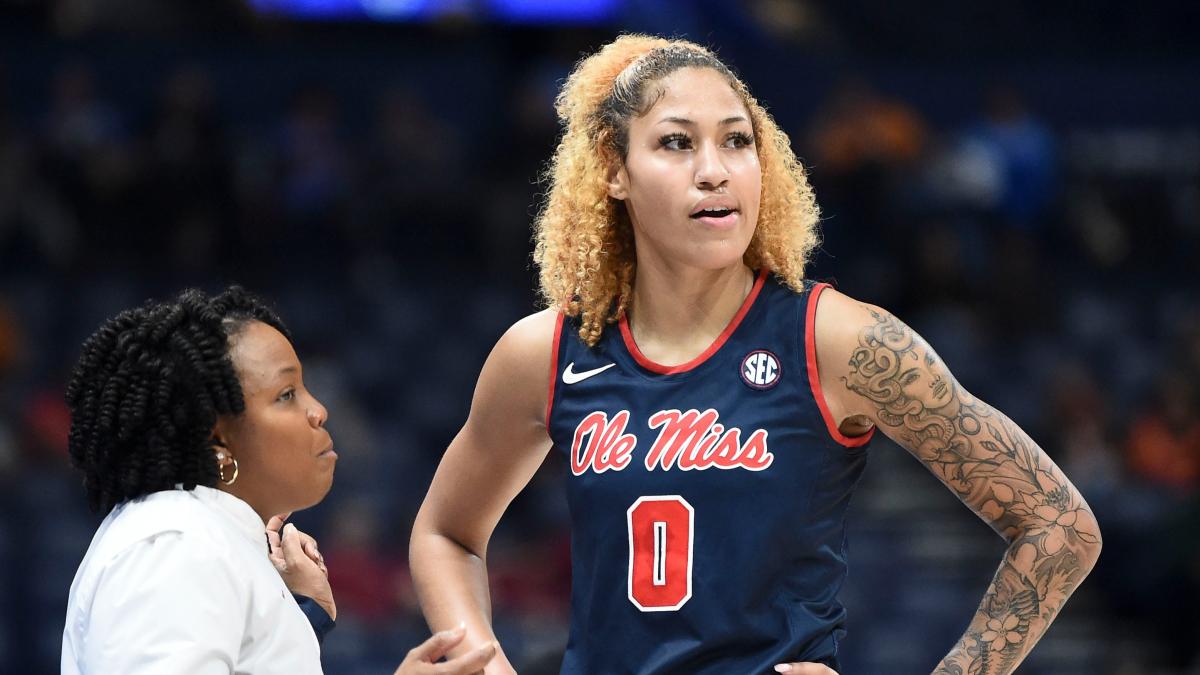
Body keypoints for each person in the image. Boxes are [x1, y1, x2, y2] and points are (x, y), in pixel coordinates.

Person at [409, 34, 1102, 675]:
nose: (714, 170)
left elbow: (1058, 525)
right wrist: (480, 656)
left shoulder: (842, 340)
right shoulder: (547, 351)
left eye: (737, 142)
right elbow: (447, 531)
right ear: (614, 171)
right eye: (677, 143)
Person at [61, 287, 496, 674]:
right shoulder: (176, 546)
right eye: (286, 395)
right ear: (219, 439)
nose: (318, 410)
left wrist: (305, 617)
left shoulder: (208, 542)